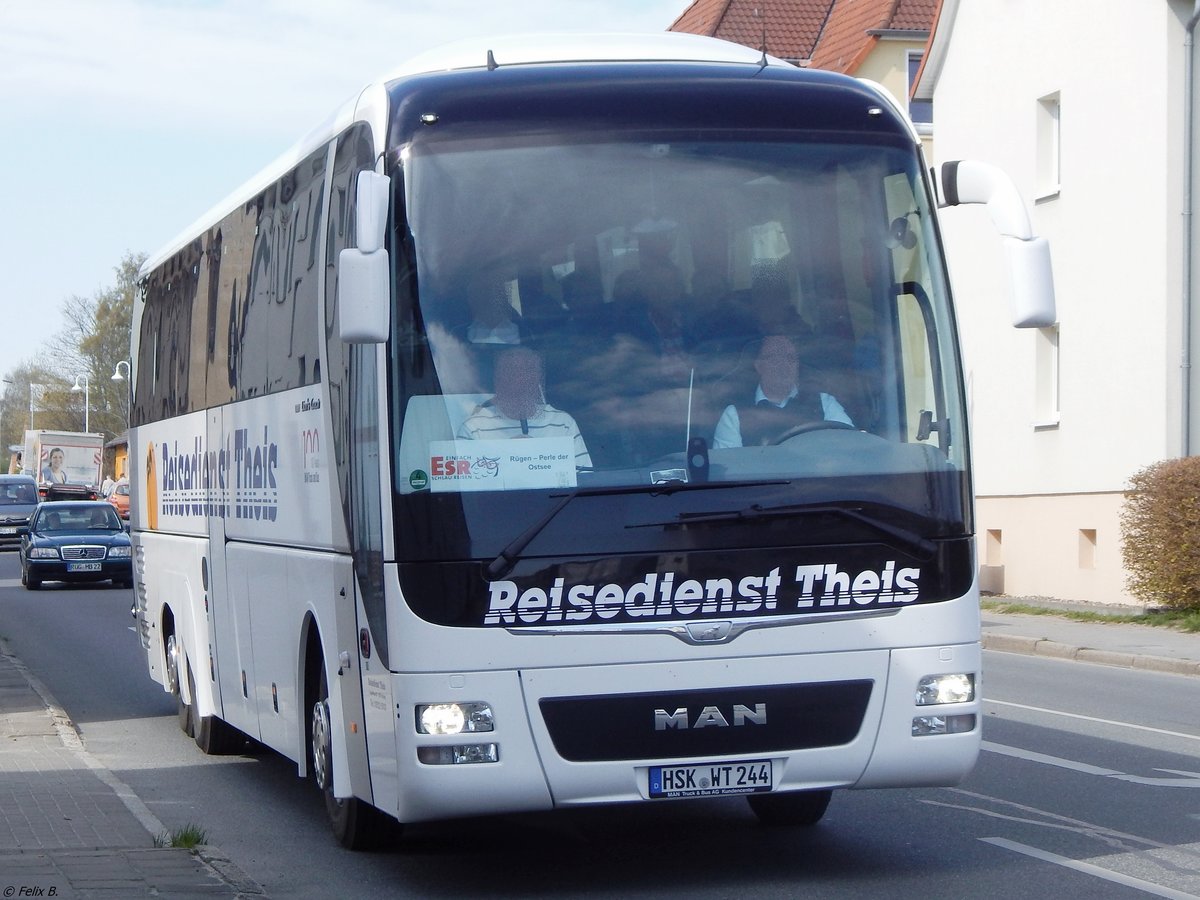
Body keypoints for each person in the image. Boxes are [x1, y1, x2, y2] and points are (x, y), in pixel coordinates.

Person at [457, 347, 592, 469]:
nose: (519, 379)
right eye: (510, 371)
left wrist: (538, 458)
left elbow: (583, 481)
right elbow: (466, 489)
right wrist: (507, 456)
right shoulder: (474, 429)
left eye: (528, 370)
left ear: (538, 378)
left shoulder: (562, 424)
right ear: (497, 379)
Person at [712, 335, 853, 448]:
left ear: (797, 365)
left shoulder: (824, 402)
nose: (783, 365)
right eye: (775, 358)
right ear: (759, 365)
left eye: (790, 359)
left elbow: (850, 448)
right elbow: (729, 472)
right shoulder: (735, 415)